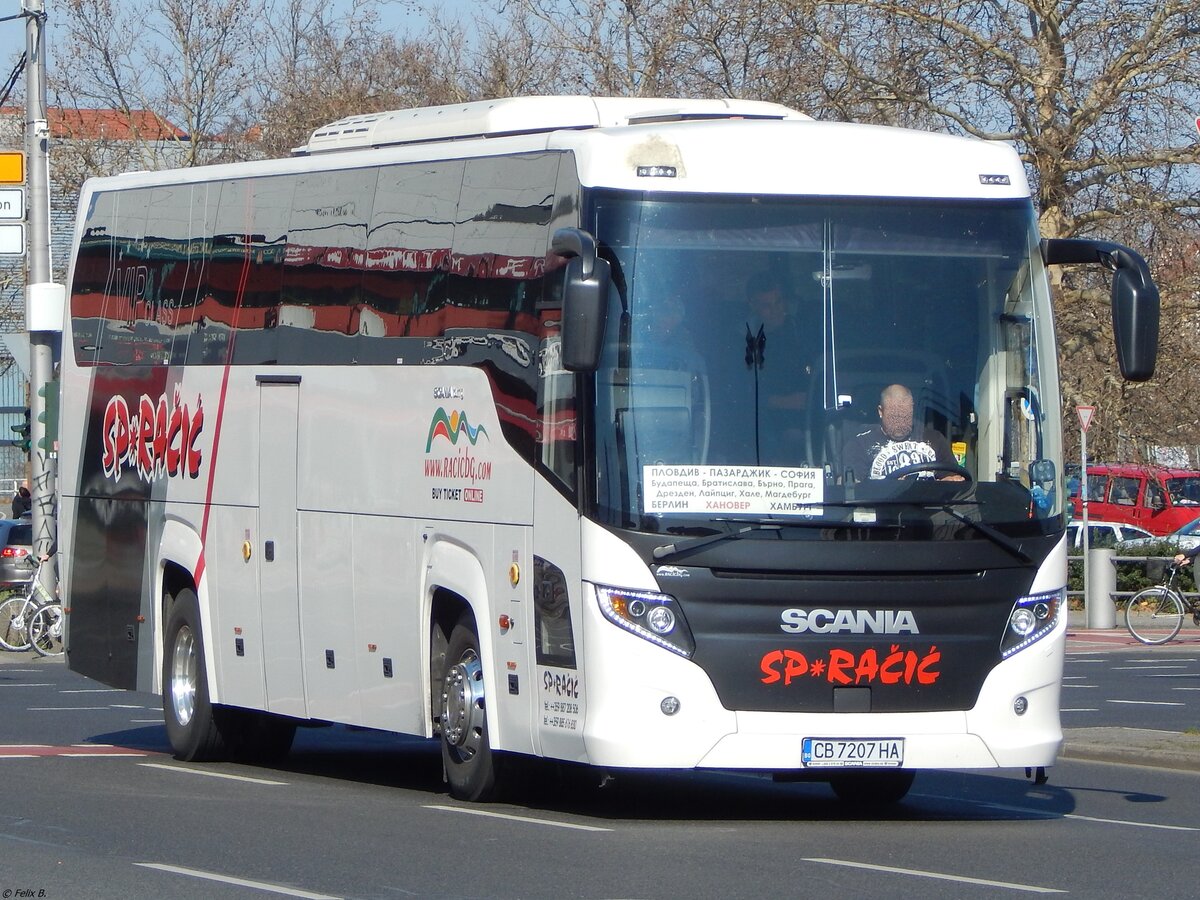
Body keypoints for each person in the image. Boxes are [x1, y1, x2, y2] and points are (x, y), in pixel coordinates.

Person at [842, 383, 963, 481]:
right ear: (880, 411)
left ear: (912, 410)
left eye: (905, 416)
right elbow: (853, 489)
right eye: (894, 417)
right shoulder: (860, 445)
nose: (900, 423)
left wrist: (949, 481)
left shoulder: (934, 439)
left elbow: (953, 478)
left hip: (929, 503)